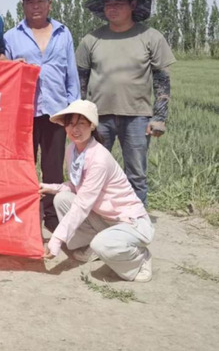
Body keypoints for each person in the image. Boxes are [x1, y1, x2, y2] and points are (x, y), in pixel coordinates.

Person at [76, 0, 175, 207]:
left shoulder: (151, 37)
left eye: (119, 4)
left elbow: (162, 79)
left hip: (137, 117)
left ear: (133, 5)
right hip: (98, 118)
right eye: (108, 4)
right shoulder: (91, 39)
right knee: (92, 171)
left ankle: (136, 219)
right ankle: (93, 217)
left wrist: (159, 117)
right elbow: (81, 80)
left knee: (136, 174)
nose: (112, 8)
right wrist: (80, 117)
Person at [41, 100, 154, 283]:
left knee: (101, 244)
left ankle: (140, 258)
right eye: (70, 123)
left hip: (129, 222)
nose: (75, 129)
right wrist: (49, 188)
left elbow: (82, 204)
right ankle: (93, 247)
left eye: (81, 123)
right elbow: (77, 187)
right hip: (104, 218)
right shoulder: (72, 150)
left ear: (92, 126)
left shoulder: (99, 159)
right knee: (61, 198)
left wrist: (56, 240)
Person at [4, 0, 79, 232]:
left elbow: (71, 74)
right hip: (24, 113)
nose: (35, 6)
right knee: (23, 166)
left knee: (53, 167)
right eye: (30, 2)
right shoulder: (11, 36)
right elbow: (3, 71)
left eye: (40, 1)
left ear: (49, 4)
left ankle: (52, 215)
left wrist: (74, 110)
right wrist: (13, 66)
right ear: (23, 6)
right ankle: (24, 215)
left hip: (56, 111)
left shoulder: (63, 33)